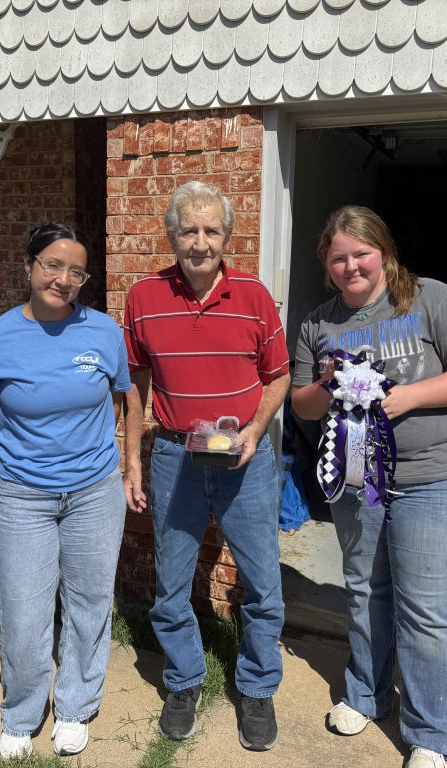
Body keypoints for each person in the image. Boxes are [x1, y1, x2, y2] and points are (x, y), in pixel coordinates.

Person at [290, 205, 447, 768]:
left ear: (384, 251)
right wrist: (328, 384)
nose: (351, 267)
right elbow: (303, 404)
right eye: (338, 259)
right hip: (358, 484)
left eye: (362, 254)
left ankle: (429, 733)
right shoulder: (318, 323)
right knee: (364, 591)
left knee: (424, 610)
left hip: (426, 478)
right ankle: (366, 694)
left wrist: (409, 398)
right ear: (326, 264)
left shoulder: (431, 299)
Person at [123, 181, 290, 751]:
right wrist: (133, 459)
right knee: (171, 585)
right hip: (176, 455)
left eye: (211, 230)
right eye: (189, 230)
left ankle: (258, 687)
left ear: (227, 237)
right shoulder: (144, 297)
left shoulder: (254, 295)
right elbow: (135, 385)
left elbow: (279, 376)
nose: (200, 241)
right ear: (172, 235)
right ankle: (183, 681)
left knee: (262, 583)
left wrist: (255, 429)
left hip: (245, 458)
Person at [0, 222, 131, 760]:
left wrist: (106, 458)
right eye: (52, 265)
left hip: (94, 492)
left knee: (89, 604)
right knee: (22, 612)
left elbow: (120, 400)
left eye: (76, 272)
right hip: (23, 495)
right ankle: (21, 713)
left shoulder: (103, 332)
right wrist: (12, 458)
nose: (63, 279)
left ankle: (74, 707)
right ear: (29, 265)